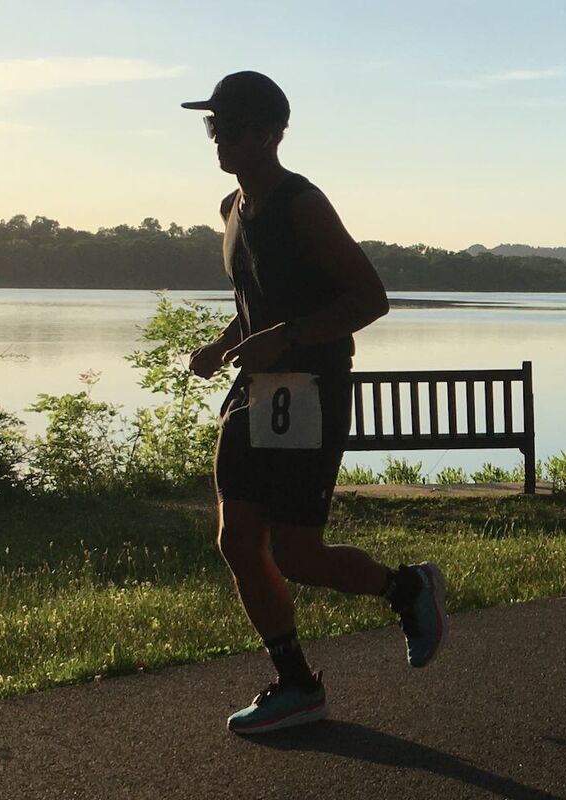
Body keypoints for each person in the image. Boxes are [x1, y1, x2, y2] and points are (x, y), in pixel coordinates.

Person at [181, 71, 446, 735]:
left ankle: (407, 589)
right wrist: (222, 345)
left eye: (233, 125)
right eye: (214, 124)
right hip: (254, 391)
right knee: (238, 540)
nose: (220, 137)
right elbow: (256, 310)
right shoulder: (230, 210)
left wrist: (290, 338)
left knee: (297, 554)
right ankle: (296, 685)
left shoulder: (302, 204)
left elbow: (369, 300)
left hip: (311, 392)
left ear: (271, 133)